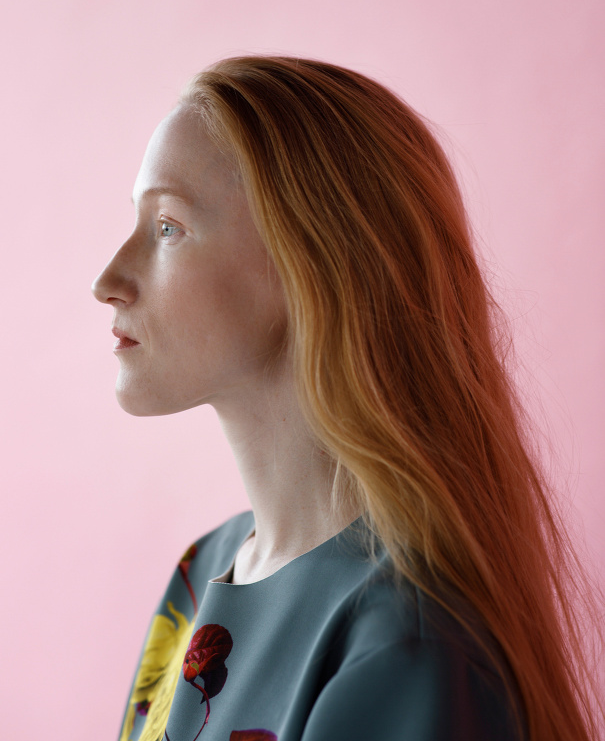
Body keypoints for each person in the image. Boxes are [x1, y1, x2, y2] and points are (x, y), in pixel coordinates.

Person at [92, 56, 602, 741]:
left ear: (310, 264)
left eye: (167, 227)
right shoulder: (202, 570)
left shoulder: (404, 647)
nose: (107, 280)